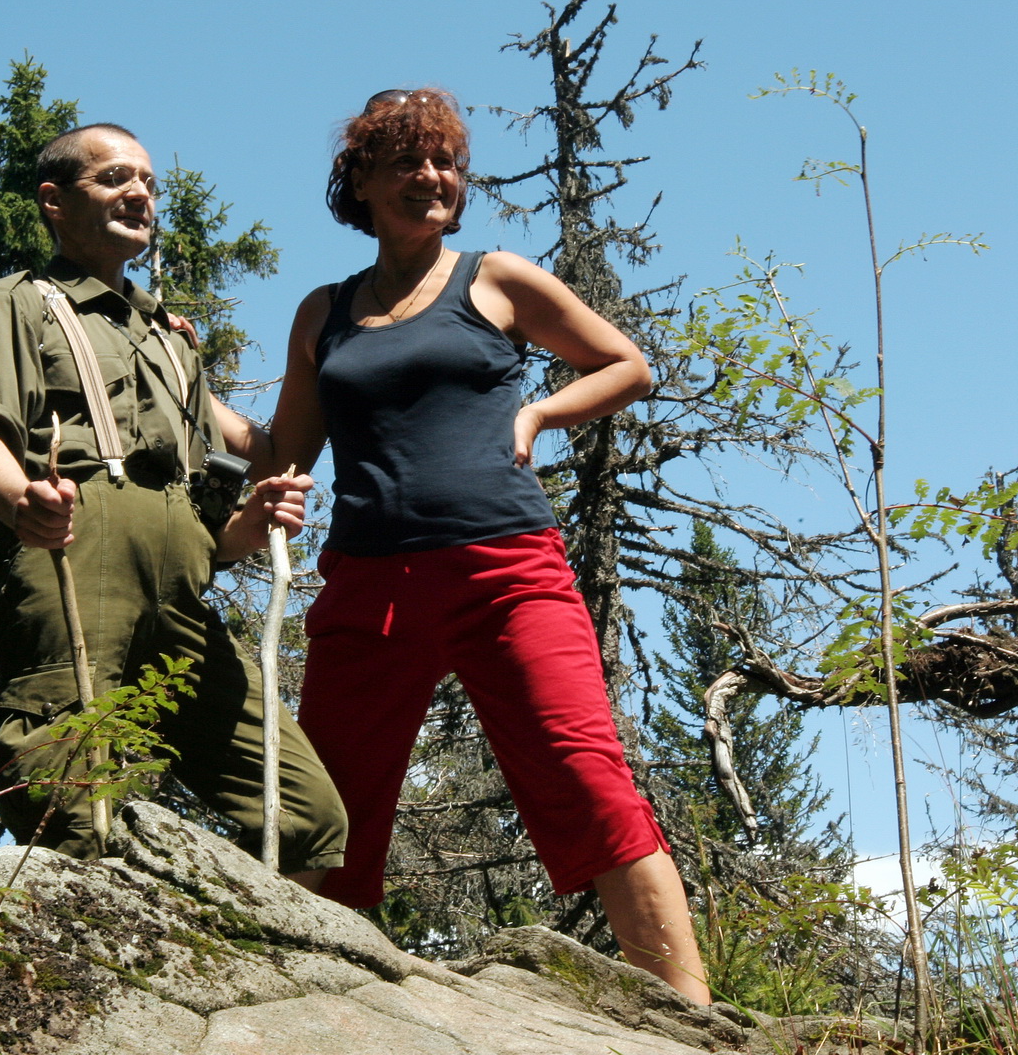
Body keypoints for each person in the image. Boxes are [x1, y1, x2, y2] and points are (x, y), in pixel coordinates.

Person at [256, 89, 711, 1001]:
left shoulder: (494, 279)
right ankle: (305, 1008)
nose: (432, 177)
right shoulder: (323, 314)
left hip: (505, 569)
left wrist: (537, 413)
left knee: (587, 778)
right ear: (360, 180)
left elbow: (627, 365)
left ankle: (694, 1020)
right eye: (407, 161)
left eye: (446, 163)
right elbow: (284, 454)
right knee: (327, 808)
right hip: (370, 587)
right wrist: (180, 389)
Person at [0, 122, 345, 883]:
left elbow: (227, 489)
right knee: (72, 795)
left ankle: (250, 952)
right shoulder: (20, 303)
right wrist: (20, 499)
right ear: (55, 202)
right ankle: (79, 948)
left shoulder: (171, 338)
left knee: (304, 815)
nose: (139, 193)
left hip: (184, 584)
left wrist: (249, 525)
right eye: (114, 178)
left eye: (149, 182)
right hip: (74, 552)